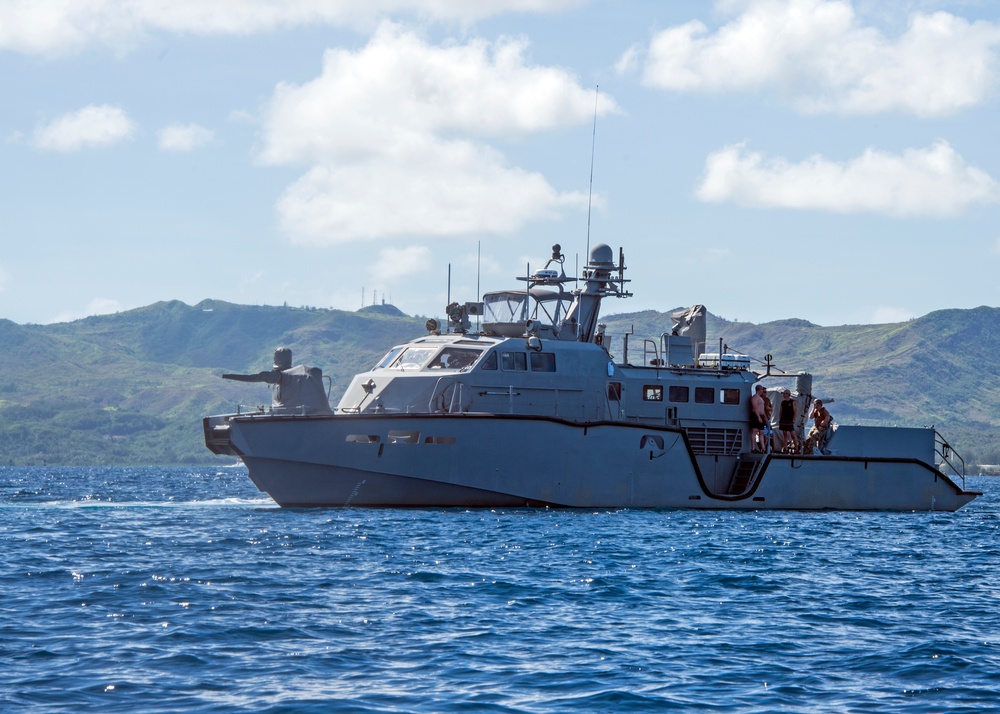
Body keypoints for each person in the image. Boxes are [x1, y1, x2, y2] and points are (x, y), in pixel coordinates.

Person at [749, 385, 767, 453]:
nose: (763, 391)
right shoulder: (755, 397)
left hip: (761, 415)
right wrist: (758, 417)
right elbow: (755, 408)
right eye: (762, 389)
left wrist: (764, 417)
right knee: (755, 431)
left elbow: (762, 408)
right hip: (756, 416)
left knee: (762, 432)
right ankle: (753, 448)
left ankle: (763, 448)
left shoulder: (760, 398)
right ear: (759, 390)